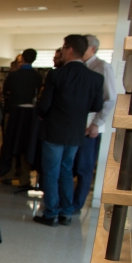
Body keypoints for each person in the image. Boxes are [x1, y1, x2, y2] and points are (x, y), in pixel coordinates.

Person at [34, 34, 104, 226]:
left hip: (54, 130)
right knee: (66, 170)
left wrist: (43, 113)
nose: (62, 51)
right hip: (75, 131)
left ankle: (51, 212)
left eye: (63, 48)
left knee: (51, 172)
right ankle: (66, 211)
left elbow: (44, 105)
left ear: (70, 49)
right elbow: (96, 105)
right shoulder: (95, 78)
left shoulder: (56, 74)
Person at [73, 34, 118, 213]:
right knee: (71, 166)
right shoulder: (79, 68)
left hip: (90, 126)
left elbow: (110, 98)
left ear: (92, 49)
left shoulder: (102, 67)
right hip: (75, 125)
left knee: (84, 166)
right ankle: (67, 202)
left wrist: (96, 124)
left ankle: (76, 205)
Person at [0, 48, 43, 182]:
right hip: (30, 114)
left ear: (22, 58)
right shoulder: (38, 76)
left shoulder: (14, 75)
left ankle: (7, 173)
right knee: (27, 143)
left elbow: (6, 92)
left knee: (9, 142)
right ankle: (24, 176)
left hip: (13, 112)